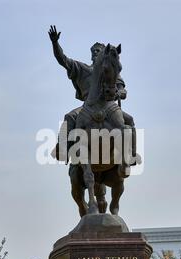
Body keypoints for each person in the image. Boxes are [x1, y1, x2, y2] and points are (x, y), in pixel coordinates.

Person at [48, 25, 136, 162]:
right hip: (88, 107)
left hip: (108, 106)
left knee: (129, 120)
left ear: (104, 54)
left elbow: (122, 88)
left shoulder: (110, 71)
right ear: (91, 54)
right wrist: (55, 43)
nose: (96, 52)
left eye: (99, 50)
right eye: (94, 51)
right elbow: (63, 60)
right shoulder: (82, 69)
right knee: (69, 117)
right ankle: (63, 148)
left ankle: (132, 154)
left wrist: (121, 92)